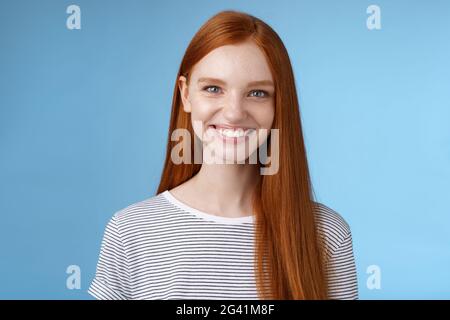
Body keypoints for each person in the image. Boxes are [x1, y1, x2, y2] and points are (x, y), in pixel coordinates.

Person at [88, 10, 358, 300]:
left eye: (257, 93)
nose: (233, 112)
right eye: (213, 88)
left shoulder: (326, 235)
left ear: (280, 103)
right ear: (186, 94)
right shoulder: (130, 231)